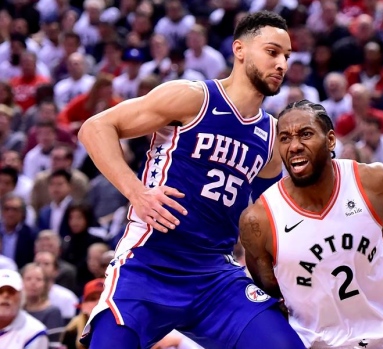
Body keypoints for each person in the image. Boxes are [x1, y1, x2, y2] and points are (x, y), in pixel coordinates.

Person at [78, 11, 306, 349]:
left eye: (287, 56)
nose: (282, 64)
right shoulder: (193, 97)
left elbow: (264, 224)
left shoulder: (272, 135)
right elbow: (95, 128)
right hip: (149, 264)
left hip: (214, 275)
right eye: (272, 52)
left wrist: (276, 286)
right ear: (239, 49)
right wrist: (137, 193)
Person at [240, 99, 383, 348]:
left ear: (330, 140)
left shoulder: (372, 181)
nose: (294, 146)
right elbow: (274, 301)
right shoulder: (259, 220)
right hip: (324, 343)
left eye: (305, 134)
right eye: (284, 138)